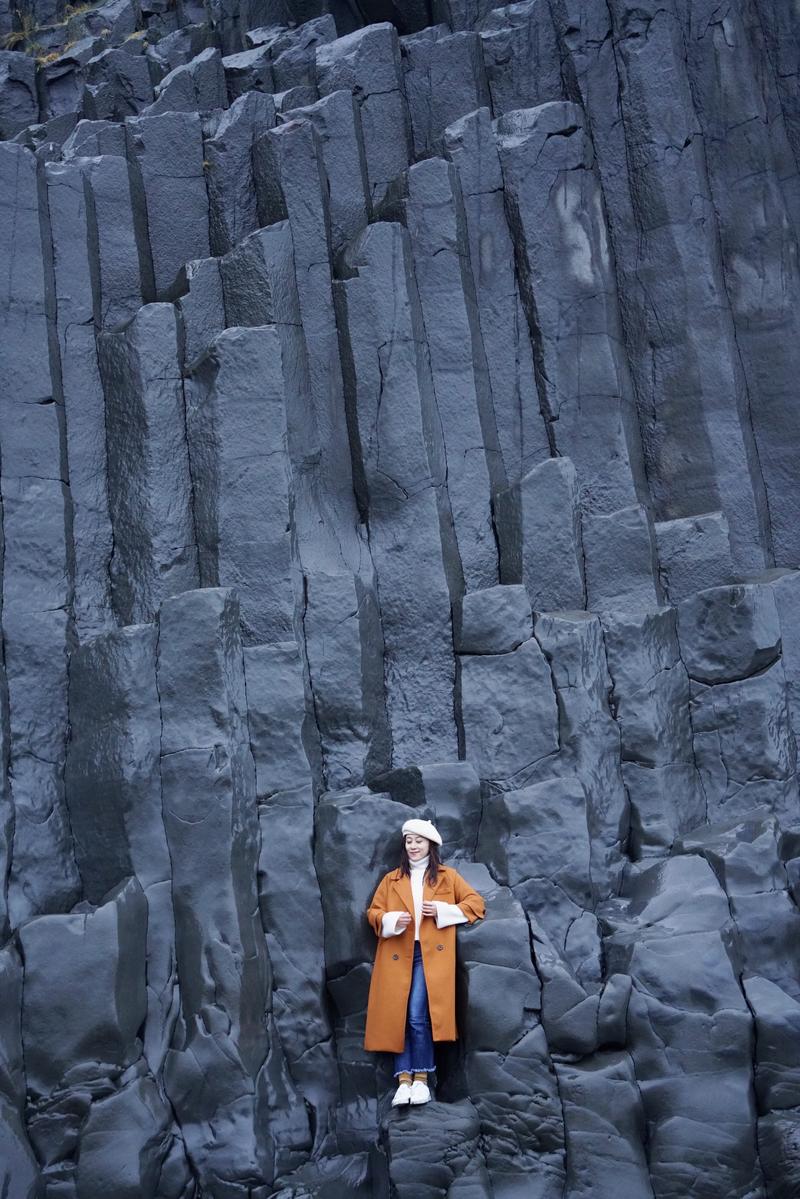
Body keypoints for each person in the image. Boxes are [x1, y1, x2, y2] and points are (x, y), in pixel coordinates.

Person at [363, 818, 486, 1107]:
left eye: (419, 840)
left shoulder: (447, 876)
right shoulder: (392, 879)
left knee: (418, 1016)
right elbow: (373, 913)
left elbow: (476, 905)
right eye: (409, 841)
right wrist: (390, 920)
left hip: (429, 957)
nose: (413, 846)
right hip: (396, 955)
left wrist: (445, 910)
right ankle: (403, 1081)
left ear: (431, 844)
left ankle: (421, 1079)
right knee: (399, 1017)